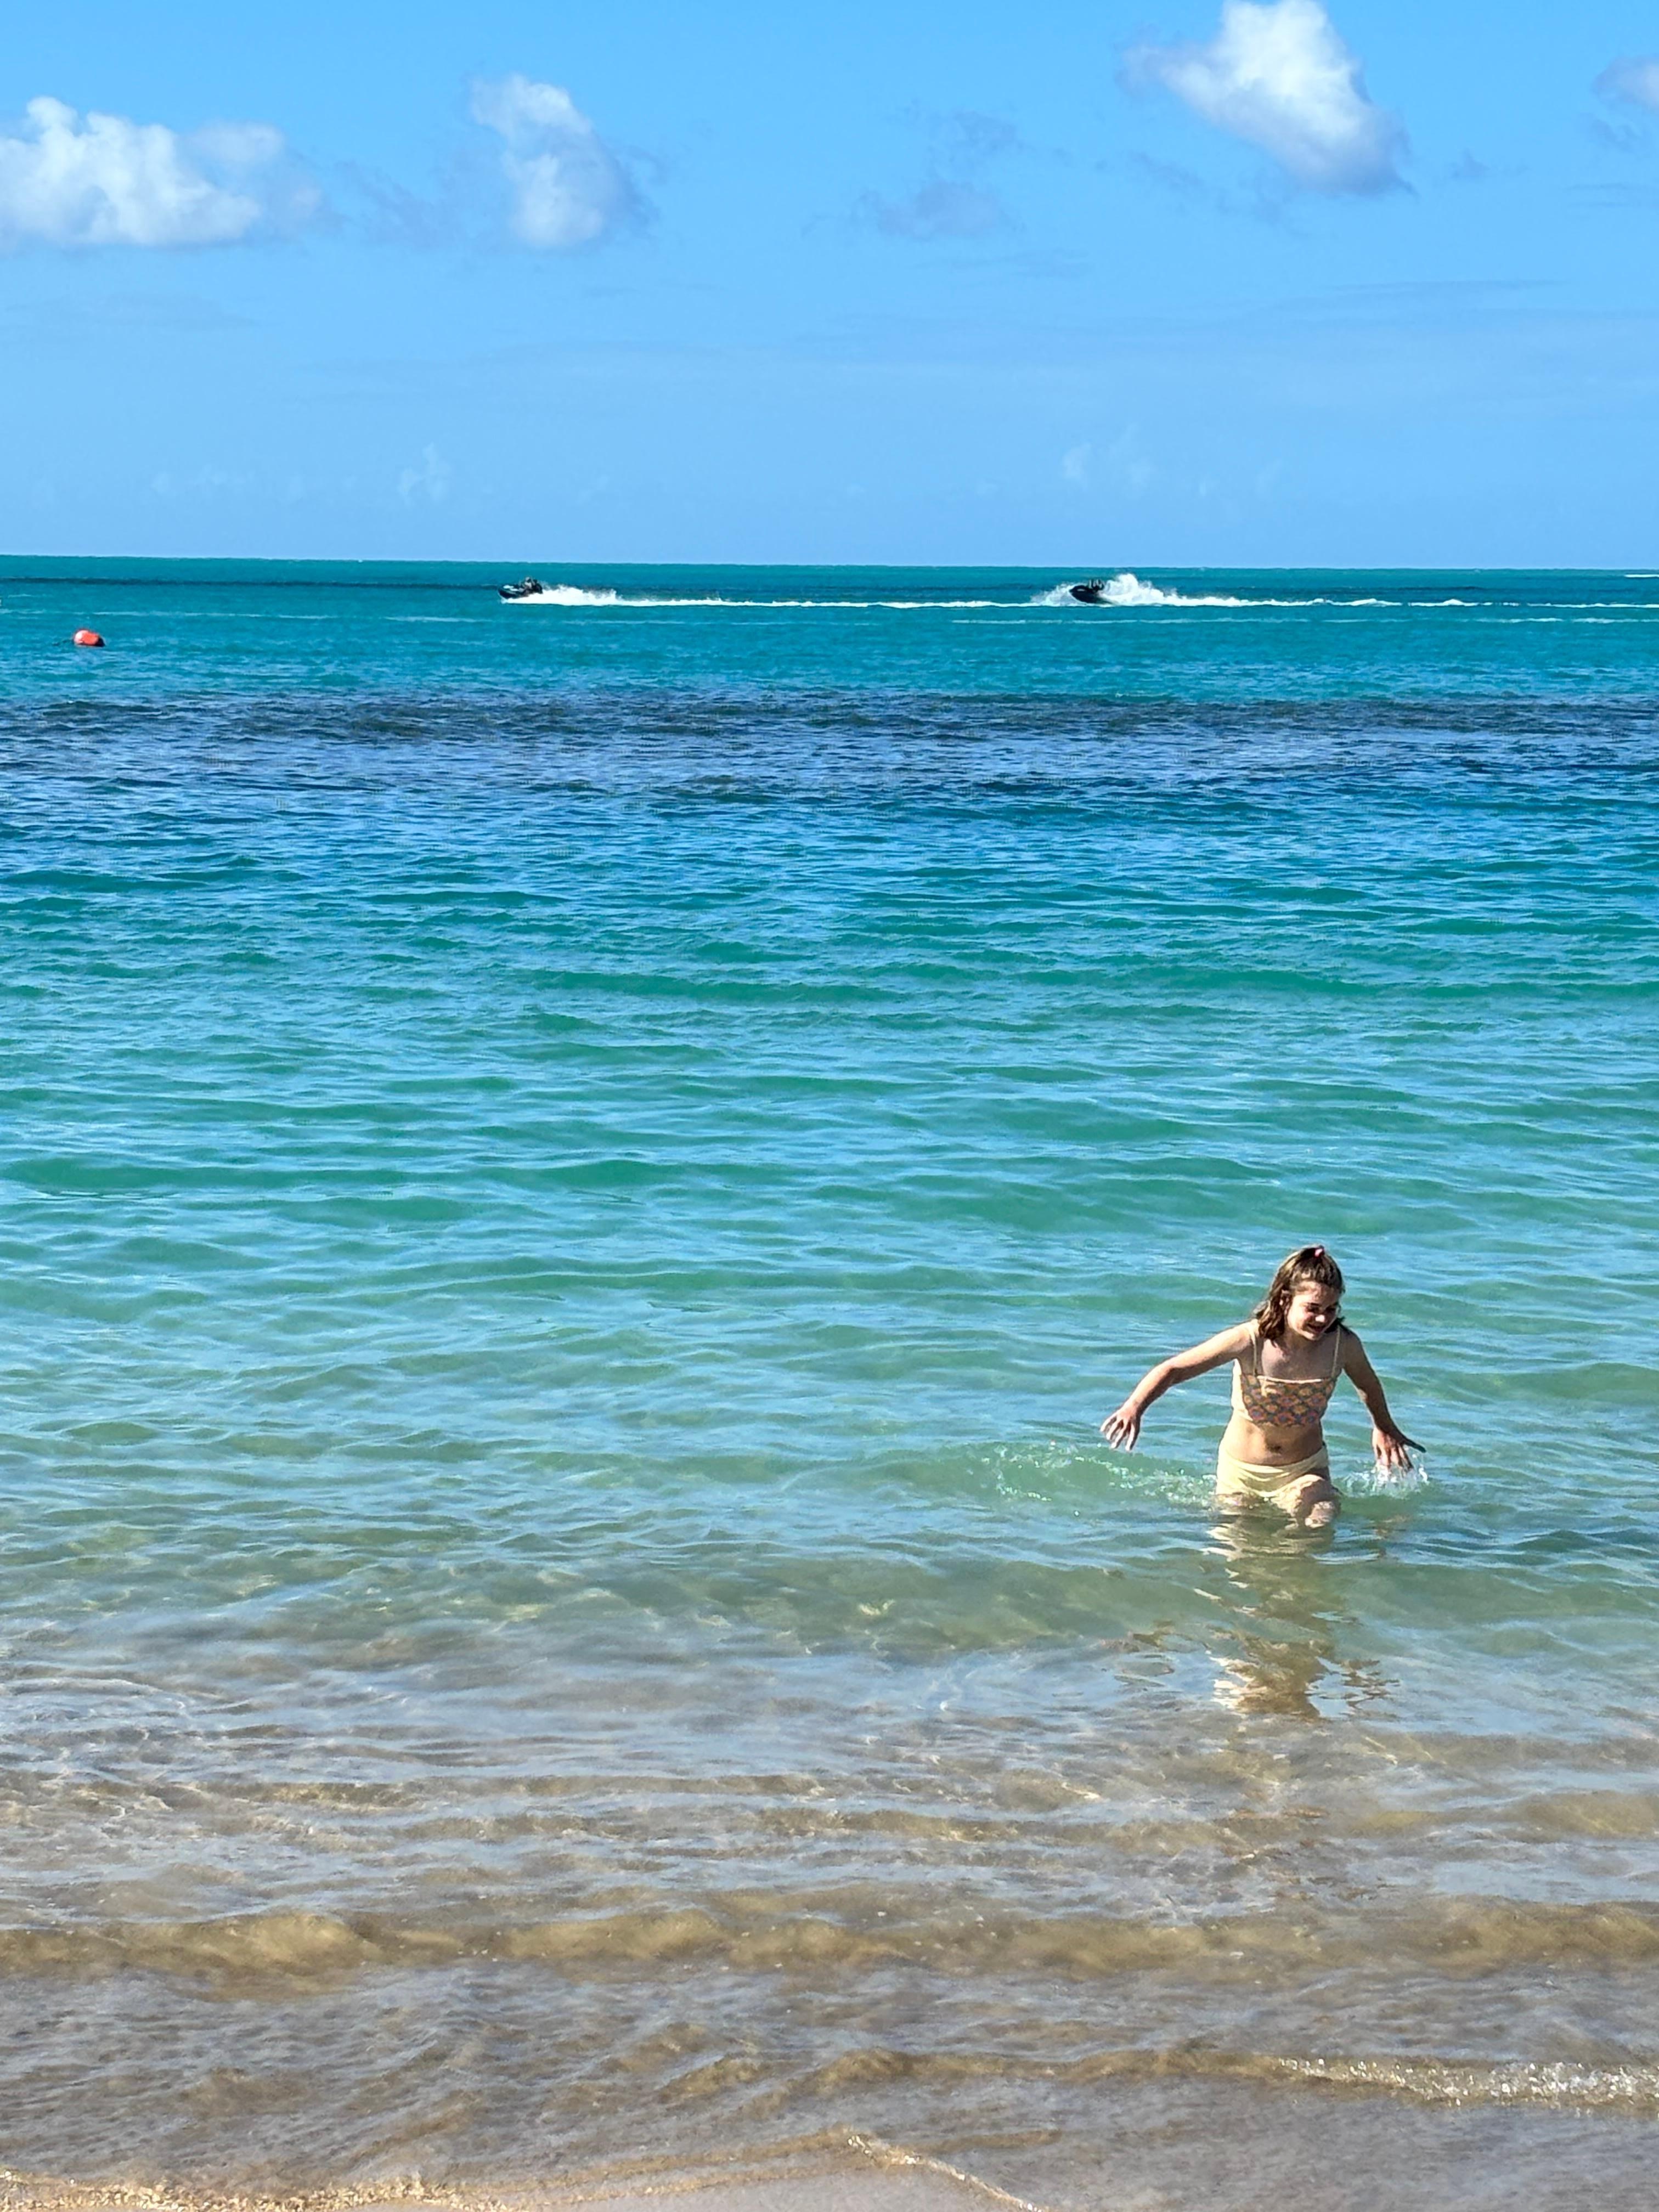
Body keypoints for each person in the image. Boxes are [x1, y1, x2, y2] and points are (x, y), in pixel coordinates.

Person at [1101, 1245, 1419, 1529]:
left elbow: (1368, 1384)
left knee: (1319, 1525)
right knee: (1240, 1544)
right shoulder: (1250, 1340)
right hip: (1242, 1471)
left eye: (1331, 1309)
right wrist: (1134, 1407)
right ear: (1285, 1299)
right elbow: (1173, 1370)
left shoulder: (1342, 1346)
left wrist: (1383, 1426)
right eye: (1313, 1308)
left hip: (1306, 1468)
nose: (1323, 1319)